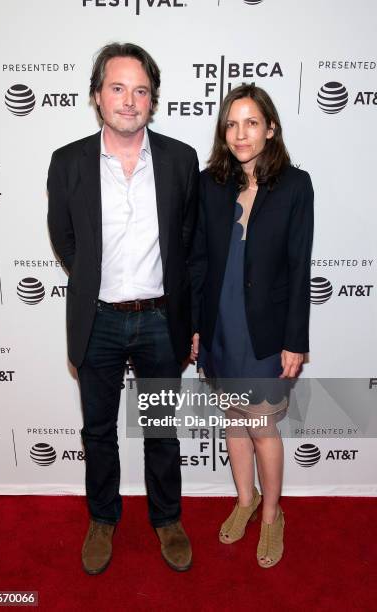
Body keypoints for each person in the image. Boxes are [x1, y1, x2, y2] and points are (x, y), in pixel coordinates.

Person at [47, 42, 199, 574]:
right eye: (118, 88)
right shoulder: (67, 162)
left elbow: (188, 244)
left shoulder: (181, 159)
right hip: (100, 320)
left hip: (161, 320)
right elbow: (66, 240)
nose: (129, 100)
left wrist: (189, 318)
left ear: (152, 100)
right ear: (97, 96)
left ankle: (167, 519)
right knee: (97, 431)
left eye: (141, 90)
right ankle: (103, 518)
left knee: (161, 428)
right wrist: (95, 282)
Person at [190, 84, 314, 568]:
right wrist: (198, 327)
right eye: (232, 123)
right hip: (220, 326)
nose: (241, 133)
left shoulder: (295, 185)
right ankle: (245, 499)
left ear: (271, 127)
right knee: (234, 422)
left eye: (251, 122)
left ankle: (271, 514)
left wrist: (295, 340)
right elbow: (199, 260)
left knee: (260, 424)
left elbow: (299, 265)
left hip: (265, 330)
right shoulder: (210, 183)